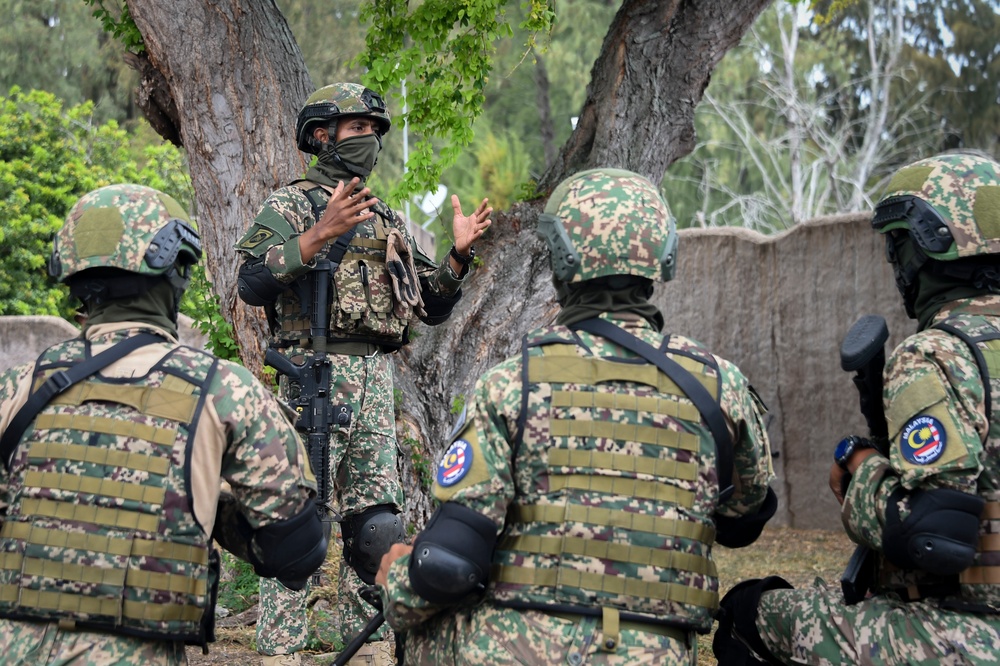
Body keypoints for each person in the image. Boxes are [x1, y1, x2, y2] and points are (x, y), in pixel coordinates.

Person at [374, 167, 778, 665]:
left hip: (519, 650)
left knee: (424, 622)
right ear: (661, 256)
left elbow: (450, 563)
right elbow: (745, 519)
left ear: (561, 259)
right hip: (654, 653)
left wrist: (396, 580)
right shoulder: (719, 386)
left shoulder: (512, 384)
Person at [0, 184, 328, 665]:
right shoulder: (223, 390)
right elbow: (297, 549)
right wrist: (197, 507)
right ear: (175, 274)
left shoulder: (20, 385)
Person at [234, 82, 492, 666]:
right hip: (310, 376)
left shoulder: (383, 215)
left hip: (374, 380)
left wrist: (456, 257)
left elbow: (430, 301)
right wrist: (318, 234)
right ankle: (280, 651)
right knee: (295, 517)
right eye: (357, 128)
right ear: (322, 135)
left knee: (375, 525)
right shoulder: (292, 204)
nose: (370, 138)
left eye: (376, 130)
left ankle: (369, 647)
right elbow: (251, 283)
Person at [714, 151, 1000, 665]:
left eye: (899, 245)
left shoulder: (936, 354)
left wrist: (859, 468)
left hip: (971, 635)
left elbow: (935, 536)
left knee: (747, 612)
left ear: (926, 246)